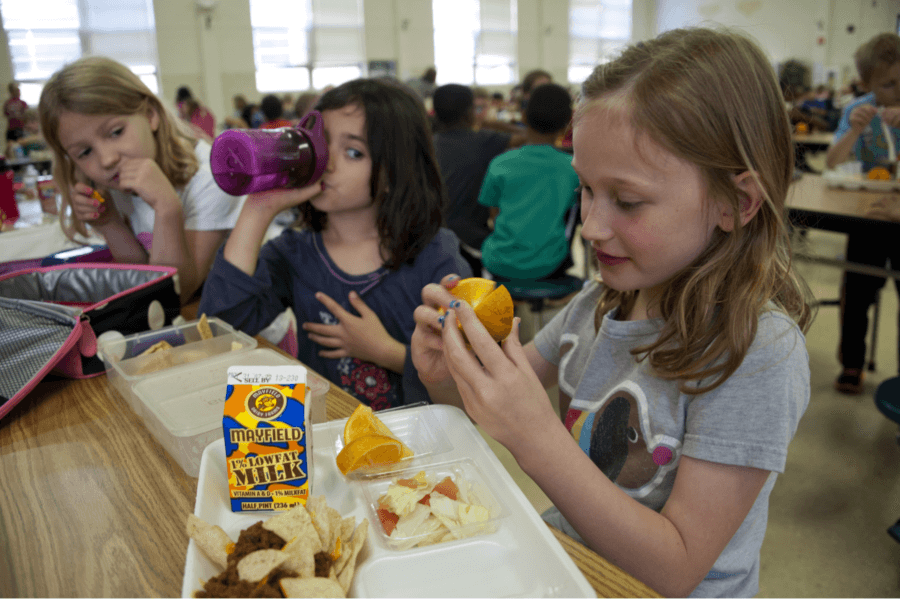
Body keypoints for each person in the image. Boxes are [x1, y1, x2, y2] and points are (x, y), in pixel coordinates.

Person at [411, 27, 813, 597]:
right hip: (570, 567)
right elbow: (495, 407)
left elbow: (677, 570)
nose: (593, 227)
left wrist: (537, 438)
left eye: (626, 200)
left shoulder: (758, 353)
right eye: (586, 190)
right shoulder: (599, 302)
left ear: (735, 202)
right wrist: (450, 374)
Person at [198, 78, 471, 410]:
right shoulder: (294, 253)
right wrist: (258, 209)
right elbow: (222, 329)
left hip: (419, 444)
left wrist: (386, 352)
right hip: (331, 441)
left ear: (396, 170)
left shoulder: (435, 255)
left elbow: (468, 377)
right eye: (322, 143)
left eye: (354, 152)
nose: (327, 163)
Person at [39, 56, 246, 303]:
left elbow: (175, 293)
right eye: (85, 153)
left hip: (249, 328)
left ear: (150, 115)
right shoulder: (115, 183)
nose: (106, 159)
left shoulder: (211, 175)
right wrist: (110, 223)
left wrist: (166, 208)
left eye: (116, 132)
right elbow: (142, 280)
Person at [823, 32, 900, 394]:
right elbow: (832, 162)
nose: (898, 91)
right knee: (856, 291)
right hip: (869, 215)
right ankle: (852, 363)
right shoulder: (859, 110)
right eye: (889, 84)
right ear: (867, 84)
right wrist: (853, 131)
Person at [478, 82, 579, 281]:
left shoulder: (501, 163)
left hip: (500, 262)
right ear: (568, 123)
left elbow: (494, 215)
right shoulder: (573, 168)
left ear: (523, 117)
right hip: (549, 263)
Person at [432, 83, 523, 276]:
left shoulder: (430, 144)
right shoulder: (483, 140)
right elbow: (528, 136)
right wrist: (488, 123)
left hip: (434, 238)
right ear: (470, 112)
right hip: (473, 239)